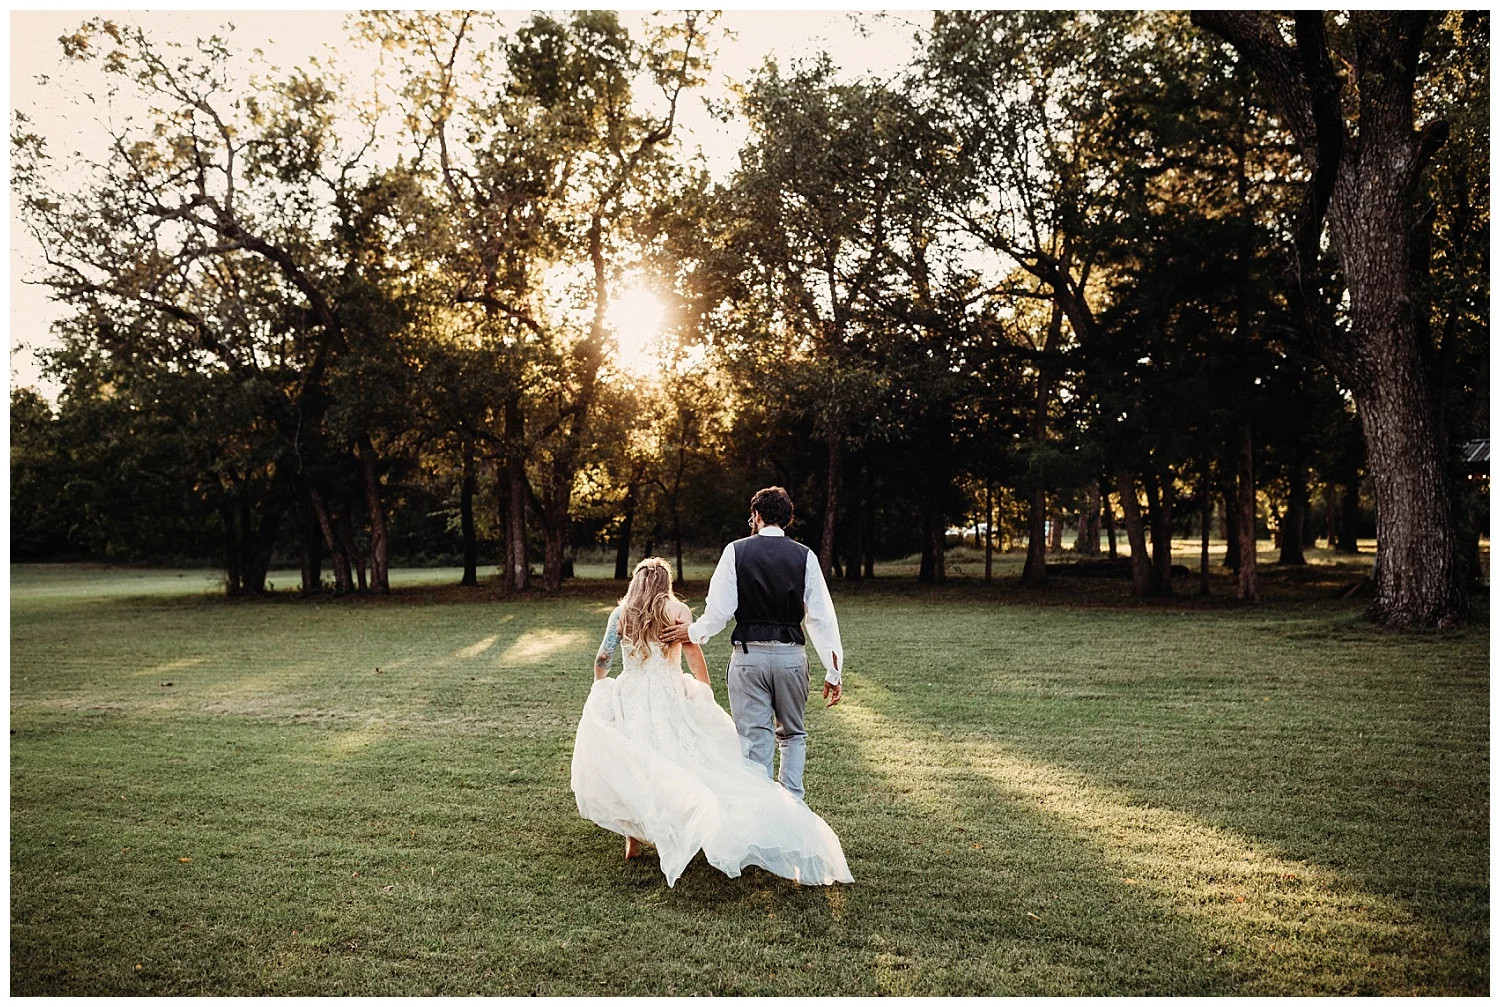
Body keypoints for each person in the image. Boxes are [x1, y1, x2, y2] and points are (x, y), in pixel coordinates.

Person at [570, 557, 852, 887]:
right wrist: (704, 688)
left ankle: (634, 838)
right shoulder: (677, 613)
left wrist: (600, 683)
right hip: (668, 694)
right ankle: (672, 830)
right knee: (677, 757)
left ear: (635, 581)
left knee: (638, 763)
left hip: (631, 695)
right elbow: (691, 652)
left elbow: (604, 657)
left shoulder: (621, 614)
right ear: (666, 582)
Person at [661, 486, 843, 802]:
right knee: (793, 735)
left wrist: (691, 632)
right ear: (788, 519)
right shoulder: (805, 556)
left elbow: (719, 610)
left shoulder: (736, 551)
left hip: (748, 658)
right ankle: (794, 809)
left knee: (753, 739)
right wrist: (833, 669)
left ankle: (761, 813)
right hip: (790, 657)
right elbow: (821, 616)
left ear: (756, 516)